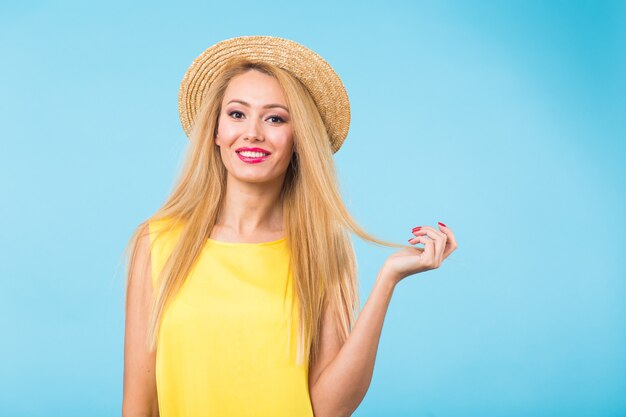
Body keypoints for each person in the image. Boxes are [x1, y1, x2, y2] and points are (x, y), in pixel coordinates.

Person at [122, 35, 458, 417]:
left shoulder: (319, 248)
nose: (253, 133)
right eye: (237, 114)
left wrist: (388, 280)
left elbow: (329, 409)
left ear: (298, 139)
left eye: (275, 118)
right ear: (215, 132)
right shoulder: (159, 242)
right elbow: (139, 402)